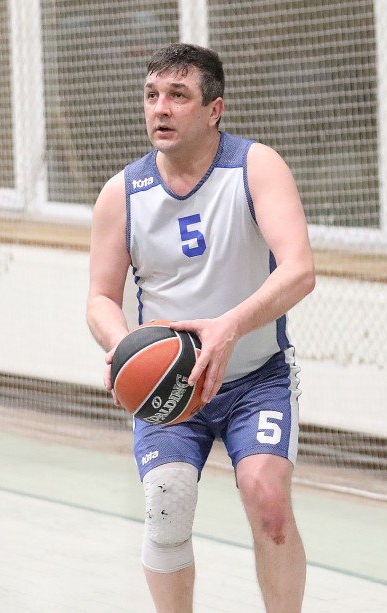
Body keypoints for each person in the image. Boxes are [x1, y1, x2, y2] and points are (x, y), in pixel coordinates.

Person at [86, 42, 315, 613]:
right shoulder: (122, 194)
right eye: (151, 95)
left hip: (255, 377)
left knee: (268, 501)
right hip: (170, 386)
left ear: (214, 110)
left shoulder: (255, 166)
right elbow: (100, 299)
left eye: (178, 95)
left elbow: (299, 271)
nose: (160, 108)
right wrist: (124, 346)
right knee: (167, 505)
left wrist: (229, 327)